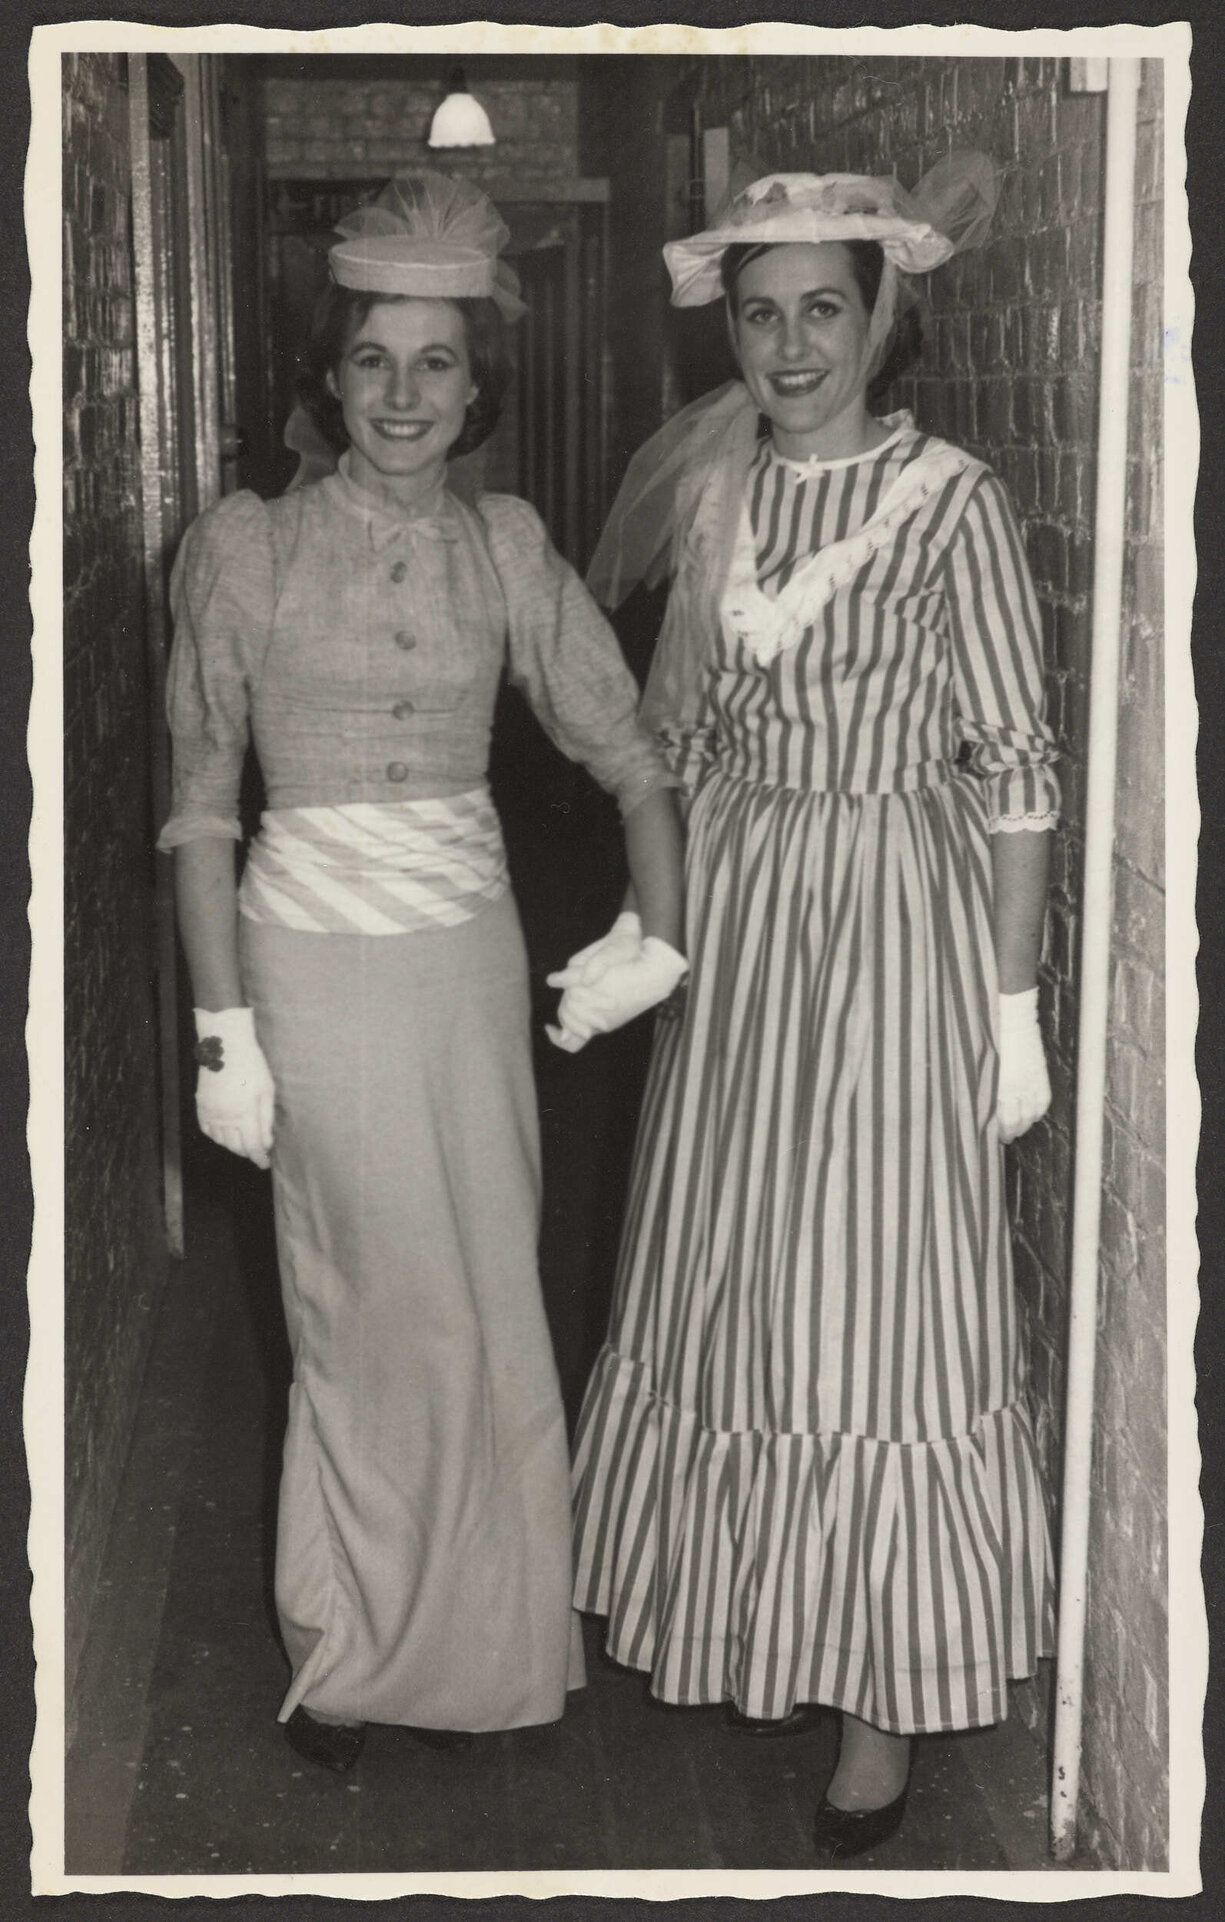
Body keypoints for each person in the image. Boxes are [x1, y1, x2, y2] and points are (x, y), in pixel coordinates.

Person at [552, 160, 1059, 1860]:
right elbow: (680, 742)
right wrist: (653, 928)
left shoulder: (950, 501)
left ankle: (878, 1708)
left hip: (893, 940)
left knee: (880, 1306)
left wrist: (1008, 1010)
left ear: (879, 316)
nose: (786, 347)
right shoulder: (716, 501)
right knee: (747, 1284)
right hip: (748, 941)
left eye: (819, 310)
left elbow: (1012, 774)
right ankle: (774, 1622)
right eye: (758, 315)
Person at [157, 172, 686, 1773]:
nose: (402, 395)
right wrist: (221, 1032)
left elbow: (632, 753)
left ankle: (479, 1643)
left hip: (467, 967)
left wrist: (656, 934)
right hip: (306, 966)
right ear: (329, 375)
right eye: (373, 360)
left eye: (436, 363)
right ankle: (347, 1641)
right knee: (357, 1307)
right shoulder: (242, 549)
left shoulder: (507, 546)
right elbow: (195, 808)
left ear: (476, 386)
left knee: (480, 1296)